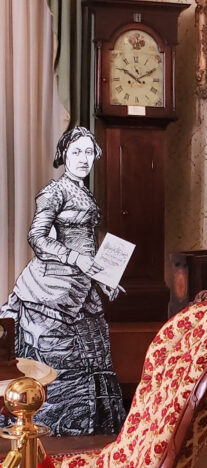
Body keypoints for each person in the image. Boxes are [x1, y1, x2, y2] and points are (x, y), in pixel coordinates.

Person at [1, 127, 126, 436]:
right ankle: (48, 434)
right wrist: (76, 259)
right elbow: (37, 237)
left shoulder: (85, 193)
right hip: (49, 291)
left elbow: (87, 244)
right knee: (56, 364)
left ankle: (88, 432)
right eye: (75, 152)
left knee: (93, 358)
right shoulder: (54, 191)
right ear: (63, 155)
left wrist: (104, 278)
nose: (82, 159)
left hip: (83, 290)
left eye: (88, 152)